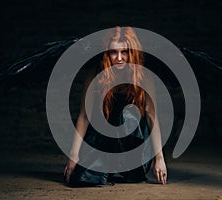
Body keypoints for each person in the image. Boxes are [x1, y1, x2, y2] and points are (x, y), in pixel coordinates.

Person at [63, 26, 167, 187]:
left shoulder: (144, 77)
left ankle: (128, 169)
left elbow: (151, 115)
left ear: (132, 52)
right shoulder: (96, 75)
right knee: (81, 178)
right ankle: (105, 167)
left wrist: (159, 158)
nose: (119, 58)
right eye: (113, 52)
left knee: (128, 113)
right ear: (107, 53)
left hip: (135, 147)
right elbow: (84, 116)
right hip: (106, 142)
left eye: (124, 52)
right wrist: (74, 155)